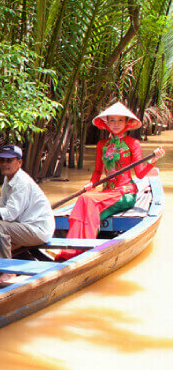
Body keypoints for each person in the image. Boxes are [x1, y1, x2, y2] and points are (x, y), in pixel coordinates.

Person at [55, 102, 165, 261]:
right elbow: (98, 172)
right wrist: (91, 183)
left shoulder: (133, 144)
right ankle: (75, 248)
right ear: (106, 122)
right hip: (106, 192)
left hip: (125, 192)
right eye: (112, 120)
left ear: (127, 122)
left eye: (120, 120)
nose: (116, 124)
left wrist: (153, 161)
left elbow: (140, 175)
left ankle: (81, 250)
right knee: (84, 200)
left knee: (87, 200)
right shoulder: (102, 145)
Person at [0, 145, 54, 281]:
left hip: (39, 230)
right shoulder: (9, 179)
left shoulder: (21, 183)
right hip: (24, 224)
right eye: (2, 161)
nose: (4, 164)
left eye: (9, 160)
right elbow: (1, 206)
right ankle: (10, 247)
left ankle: (7, 270)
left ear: (19, 162)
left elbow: (9, 214)